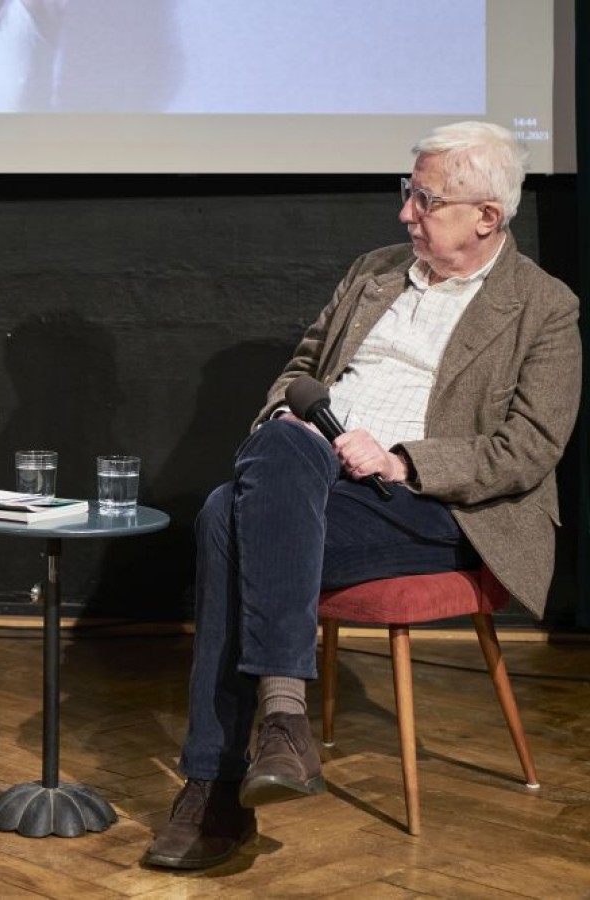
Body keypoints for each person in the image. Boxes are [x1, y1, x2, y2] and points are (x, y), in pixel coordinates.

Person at [144, 121, 581, 871]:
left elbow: (530, 449)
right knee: (275, 450)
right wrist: (289, 414)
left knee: (225, 516)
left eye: (423, 198)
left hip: (437, 508)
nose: (405, 213)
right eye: (406, 193)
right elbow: (302, 368)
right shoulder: (374, 273)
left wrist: (404, 461)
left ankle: (215, 785)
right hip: (316, 475)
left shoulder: (544, 308)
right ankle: (280, 724)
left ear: (486, 215)